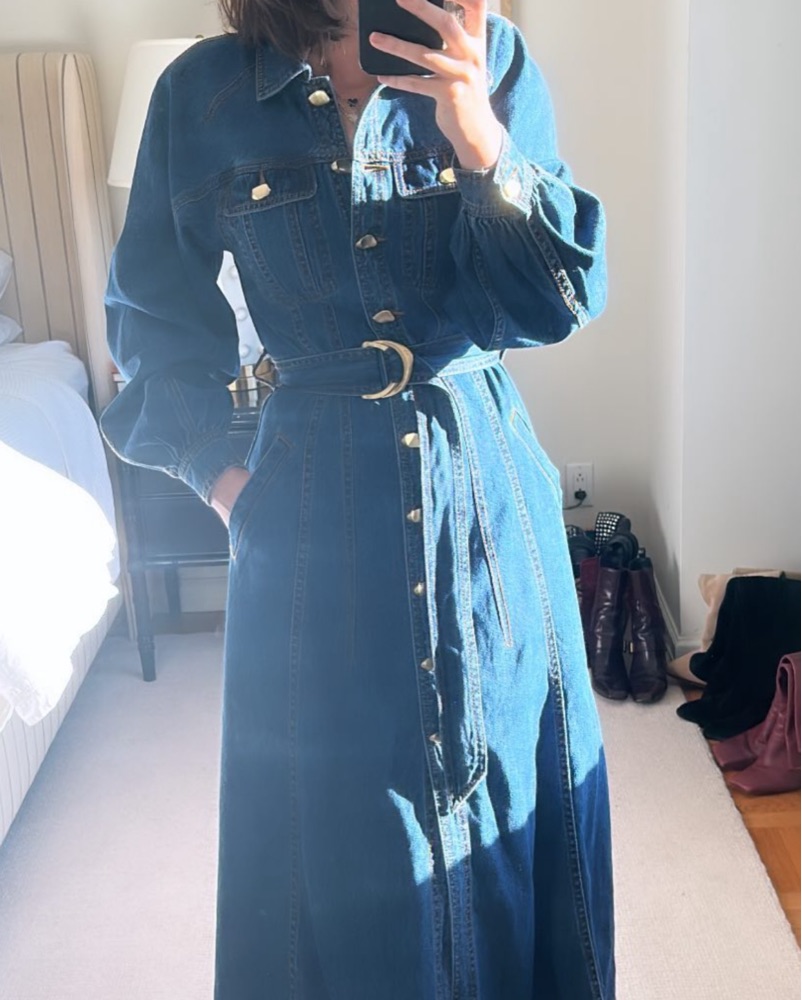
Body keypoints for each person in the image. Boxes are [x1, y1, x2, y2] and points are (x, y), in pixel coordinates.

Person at [99, 0, 616, 996]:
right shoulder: (203, 93)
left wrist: (481, 143)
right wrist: (220, 479)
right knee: (329, 841)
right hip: (305, 508)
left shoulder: (487, 55)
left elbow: (556, 303)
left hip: (484, 493)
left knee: (510, 806)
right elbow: (152, 322)